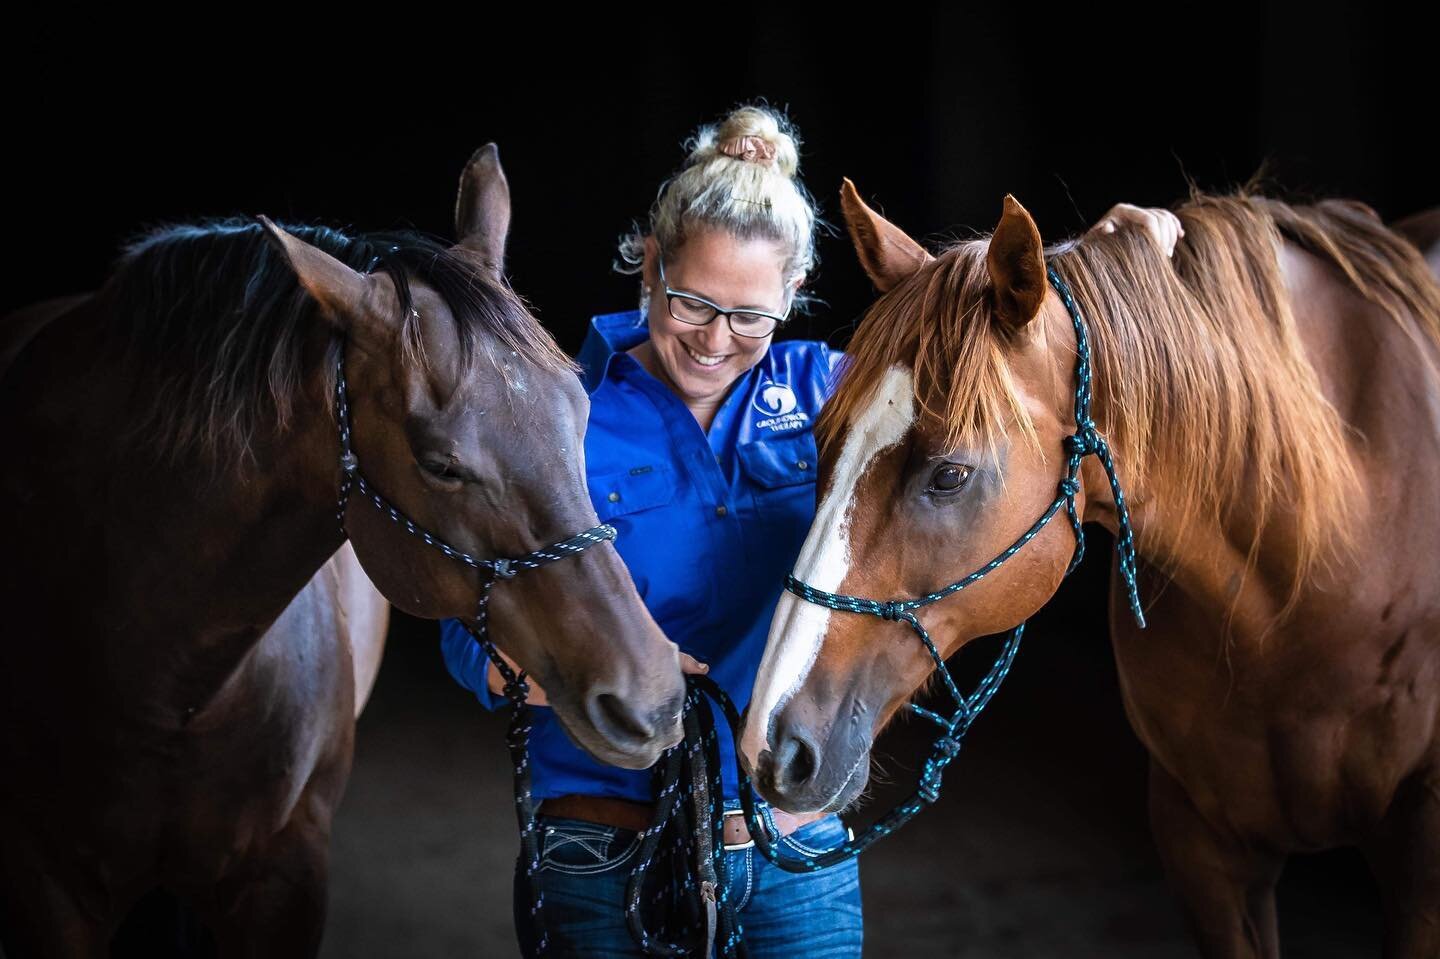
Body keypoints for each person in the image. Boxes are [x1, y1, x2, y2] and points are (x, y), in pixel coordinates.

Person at [440, 103, 1182, 958]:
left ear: (793, 293)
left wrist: (1103, 250)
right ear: (648, 266)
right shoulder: (561, 417)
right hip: (600, 849)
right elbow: (469, 639)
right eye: (691, 303)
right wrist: (584, 671)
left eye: (751, 315)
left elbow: (982, 340)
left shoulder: (846, 400)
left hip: (793, 843)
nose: (716, 340)